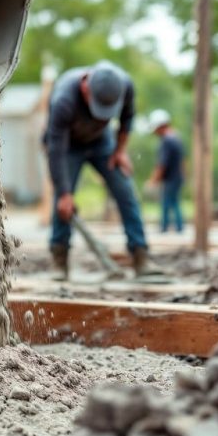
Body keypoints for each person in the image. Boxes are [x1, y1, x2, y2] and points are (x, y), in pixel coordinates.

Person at [44, 60, 162, 280]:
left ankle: (141, 256)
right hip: (67, 146)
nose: (101, 116)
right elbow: (56, 149)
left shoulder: (125, 85)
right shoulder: (64, 99)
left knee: (126, 190)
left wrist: (119, 151)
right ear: (85, 88)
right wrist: (64, 191)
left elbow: (127, 119)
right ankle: (59, 259)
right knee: (63, 201)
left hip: (102, 143)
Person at [146, 109, 185, 233]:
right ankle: (179, 228)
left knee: (167, 203)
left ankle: (165, 228)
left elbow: (162, 164)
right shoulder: (176, 137)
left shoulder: (167, 141)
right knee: (174, 202)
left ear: (160, 126)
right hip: (177, 176)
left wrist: (153, 180)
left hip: (171, 178)